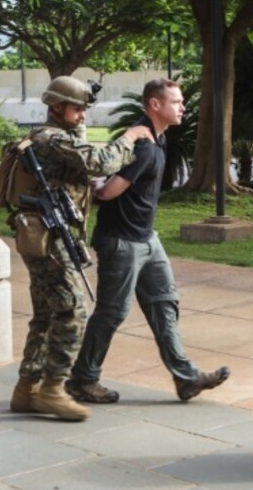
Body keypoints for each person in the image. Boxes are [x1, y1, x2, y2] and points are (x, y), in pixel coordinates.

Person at [67, 79, 230, 404]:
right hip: (121, 242)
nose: (182, 107)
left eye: (182, 102)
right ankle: (83, 379)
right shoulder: (143, 145)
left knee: (164, 303)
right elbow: (109, 191)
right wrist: (100, 188)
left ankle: (186, 379)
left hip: (147, 239)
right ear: (155, 105)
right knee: (112, 312)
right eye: (176, 102)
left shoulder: (158, 138)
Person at [9, 76, 152, 422]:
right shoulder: (50, 139)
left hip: (47, 234)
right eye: (77, 109)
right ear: (56, 107)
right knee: (74, 311)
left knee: (47, 312)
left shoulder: (55, 138)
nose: (83, 116)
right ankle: (53, 390)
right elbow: (101, 161)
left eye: (85, 110)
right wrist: (130, 137)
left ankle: (27, 389)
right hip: (48, 237)